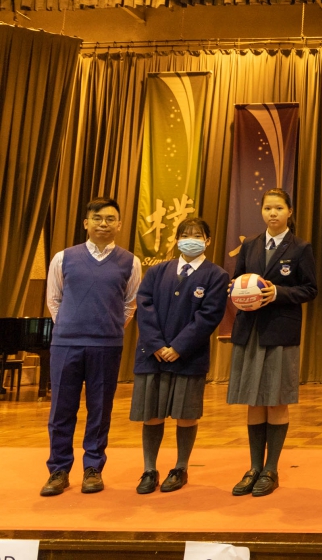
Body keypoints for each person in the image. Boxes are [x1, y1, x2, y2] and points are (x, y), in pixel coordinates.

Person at [41, 197, 142, 497]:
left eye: (110, 219)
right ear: (86, 223)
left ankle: (93, 469)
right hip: (66, 344)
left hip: (107, 346)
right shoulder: (63, 258)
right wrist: (72, 326)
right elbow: (54, 300)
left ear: (119, 224)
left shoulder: (131, 262)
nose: (103, 224)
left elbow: (130, 304)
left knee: (100, 409)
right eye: (97, 218)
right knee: (61, 410)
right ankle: (59, 470)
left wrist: (108, 328)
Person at [227, 188, 318, 497]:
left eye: (279, 208)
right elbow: (237, 281)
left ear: (289, 211)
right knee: (254, 400)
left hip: (280, 332)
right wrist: (238, 290)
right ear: (262, 212)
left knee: (276, 399)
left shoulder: (301, 247)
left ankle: (271, 469)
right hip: (250, 330)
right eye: (268, 208)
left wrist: (278, 292)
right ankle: (254, 467)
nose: (273, 213)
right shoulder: (250, 245)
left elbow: (310, 289)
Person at [131, 218, 229, 494]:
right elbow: (144, 307)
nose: (190, 240)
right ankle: (149, 469)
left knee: (186, 415)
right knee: (152, 414)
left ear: (207, 241)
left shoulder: (216, 275)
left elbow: (208, 316)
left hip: (189, 357)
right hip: (152, 355)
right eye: (185, 235)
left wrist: (178, 347)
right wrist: (157, 345)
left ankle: (180, 467)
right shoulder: (157, 271)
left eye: (197, 235)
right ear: (176, 240)